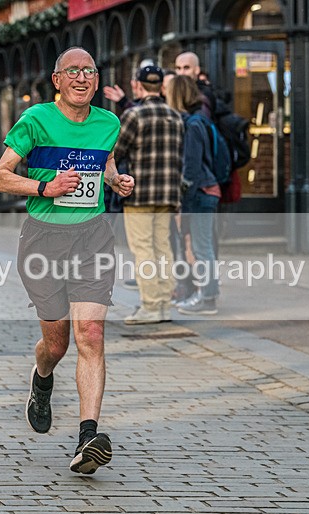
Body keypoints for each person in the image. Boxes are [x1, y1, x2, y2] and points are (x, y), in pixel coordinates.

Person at [0, 47, 134, 474]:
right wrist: (45, 187)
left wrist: (115, 179)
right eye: (72, 71)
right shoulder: (35, 120)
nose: (82, 78)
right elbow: (0, 177)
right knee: (58, 343)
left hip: (93, 236)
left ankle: (88, 437)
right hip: (43, 240)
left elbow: (104, 163)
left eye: (89, 71)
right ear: (57, 80)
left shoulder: (108, 122)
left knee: (90, 333)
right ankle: (42, 377)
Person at [113, 65, 183, 325]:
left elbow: (115, 151)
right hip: (168, 193)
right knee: (163, 247)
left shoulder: (134, 115)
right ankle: (164, 303)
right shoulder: (175, 116)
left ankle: (151, 305)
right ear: (160, 85)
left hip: (140, 193)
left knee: (143, 249)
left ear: (139, 85)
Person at [166, 75, 221, 315]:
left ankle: (207, 298)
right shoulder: (193, 121)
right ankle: (203, 294)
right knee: (199, 246)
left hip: (201, 192)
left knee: (202, 248)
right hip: (202, 190)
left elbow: (191, 168)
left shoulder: (192, 124)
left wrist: (182, 201)